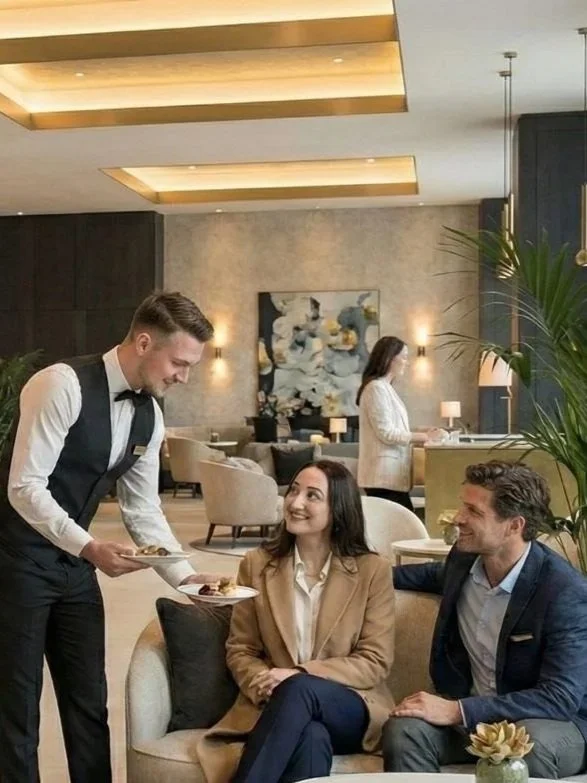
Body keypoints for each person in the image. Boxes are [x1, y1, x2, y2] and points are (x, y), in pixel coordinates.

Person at [0, 290, 222, 783]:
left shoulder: (150, 414)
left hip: (75, 568)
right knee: (16, 711)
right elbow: (24, 487)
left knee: (88, 704)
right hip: (16, 562)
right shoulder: (59, 385)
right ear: (144, 342)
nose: (183, 377)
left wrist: (186, 578)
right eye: (179, 363)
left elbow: (142, 509)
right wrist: (90, 546)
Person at [383, 460, 587, 779]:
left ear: (514, 526)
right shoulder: (463, 560)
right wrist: (367, 576)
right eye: (463, 506)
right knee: (405, 728)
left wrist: (457, 710)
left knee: (526, 747)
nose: (458, 518)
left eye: (474, 512)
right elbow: (432, 575)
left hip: (554, 724)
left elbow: (559, 697)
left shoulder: (563, 592)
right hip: (477, 720)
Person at [198, 460, 395, 783]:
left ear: (339, 509)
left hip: (351, 706)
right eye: (293, 491)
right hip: (279, 707)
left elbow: (374, 661)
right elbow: (241, 649)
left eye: (312, 496)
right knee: (311, 738)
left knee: (300, 688)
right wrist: (261, 680)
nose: (295, 502)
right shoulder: (257, 564)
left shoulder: (372, 570)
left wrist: (297, 675)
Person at [356, 335, 442, 511]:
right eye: (403, 357)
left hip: (390, 477)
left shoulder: (385, 388)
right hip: (382, 476)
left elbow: (393, 427)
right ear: (389, 359)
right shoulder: (376, 388)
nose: (407, 362)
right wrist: (424, 436)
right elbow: (386, 433)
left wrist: (420, 430)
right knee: (401, 527)